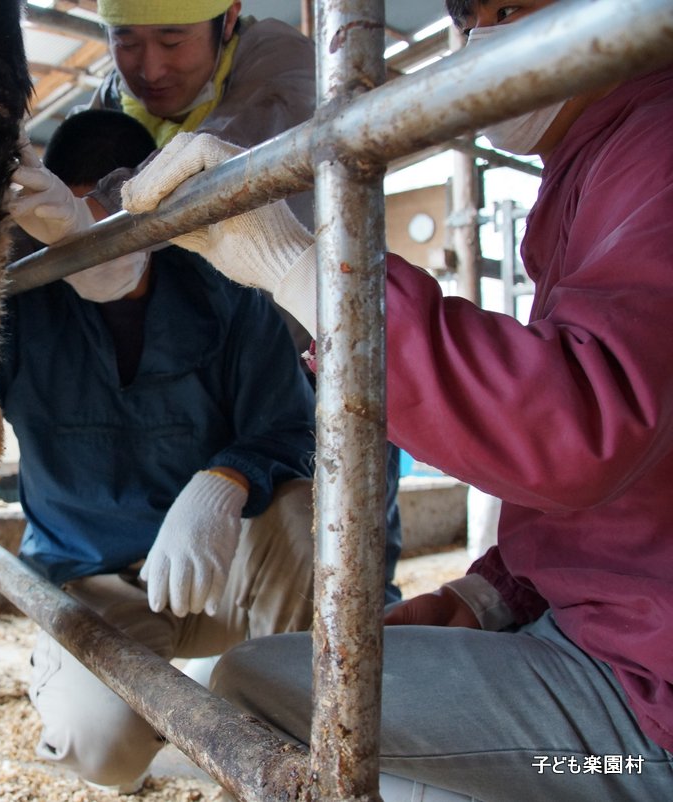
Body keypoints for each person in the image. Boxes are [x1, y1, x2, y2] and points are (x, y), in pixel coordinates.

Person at [120, 0, 673, 799]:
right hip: (610, 635)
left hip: (643, 715)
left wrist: (298, 269)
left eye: (511, 7)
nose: (480, 34)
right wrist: (492, 592)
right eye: (467, 12)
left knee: (257, 698)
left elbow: (585, 425)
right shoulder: (596, 162)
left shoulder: (653, 148)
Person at [0, 109, 318, 793]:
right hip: (92, 580)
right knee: (98, 751)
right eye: (75, 205)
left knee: (312, 515)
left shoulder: (223, 290)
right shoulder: (24, 298)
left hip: (226, 568)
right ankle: (111, 702)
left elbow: (294, 427)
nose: (92, 224)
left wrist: (226, 479)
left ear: (156, 200)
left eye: (114, 204)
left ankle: (282, 715)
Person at [12, 0, 404, 603]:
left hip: (304, 320)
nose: (150, 66)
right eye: (126, 39)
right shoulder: (112, 105)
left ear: (226, 20)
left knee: (345, 470)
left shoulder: (283, 65)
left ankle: (367, 612)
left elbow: (219, 161)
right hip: (197, 327)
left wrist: (92, 225)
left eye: (172, 39)